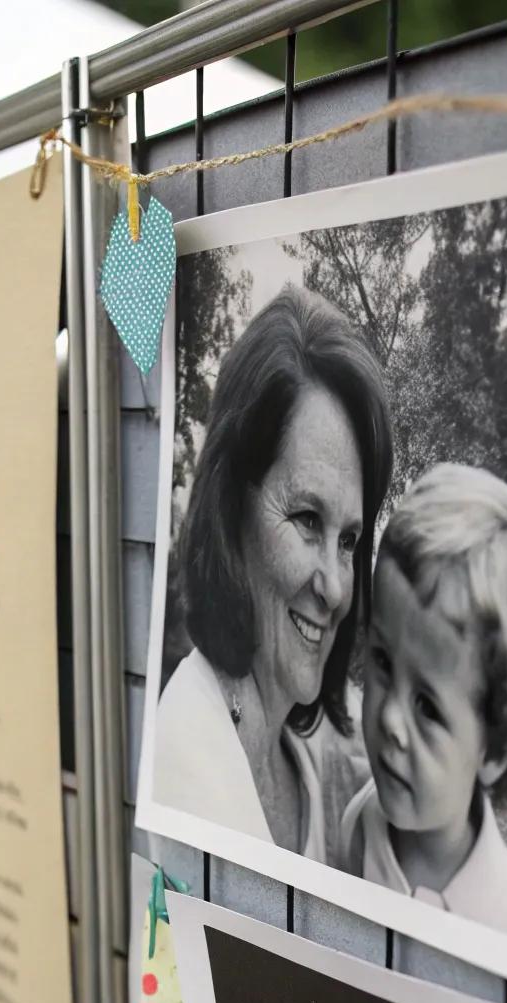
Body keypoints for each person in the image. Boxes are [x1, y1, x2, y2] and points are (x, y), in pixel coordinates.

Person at [153, 285, 392, 856]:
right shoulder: (187, 766)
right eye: (307, 519)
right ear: (232, 507)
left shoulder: (304, 762)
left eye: (350, 540)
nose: (335, 587)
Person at [340, 463, 507, 956]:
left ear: (495, 748)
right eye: (383, 662)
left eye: (428, 706)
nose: (388, 719)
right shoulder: (361, 823)